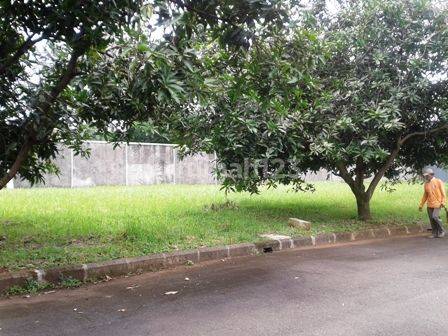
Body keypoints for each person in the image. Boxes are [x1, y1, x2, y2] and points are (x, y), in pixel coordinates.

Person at [419, 168, 446, 238]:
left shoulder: (438, 181)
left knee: (435, 217)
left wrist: (443, 202)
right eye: (425, 176)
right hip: (429, 204)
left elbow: (443, 193)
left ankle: (441, 231)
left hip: (438, 203)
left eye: (427, 175)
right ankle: (434, 233)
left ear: (432, 175)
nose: (426, 177)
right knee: (431, 219)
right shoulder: (426, 184)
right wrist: (421, 205)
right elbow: (425, 195)